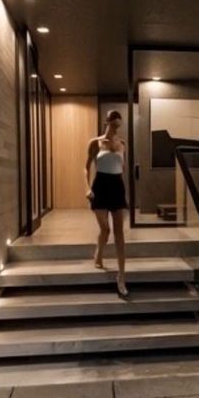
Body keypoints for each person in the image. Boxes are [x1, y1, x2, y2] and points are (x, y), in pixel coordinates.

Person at [85, 110, 129, 298]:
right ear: (107, 122)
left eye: (118, 125)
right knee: (105, 229)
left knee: (119, 233)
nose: (116, 128)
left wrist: (123, 192)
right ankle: (99, 253)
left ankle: (122, 276)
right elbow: (86, 167)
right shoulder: (95, 143)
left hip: (117, 186)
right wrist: (87, 188)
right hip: (100, 186)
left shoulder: (122, 144)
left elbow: (122, 168)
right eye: (113, 124)